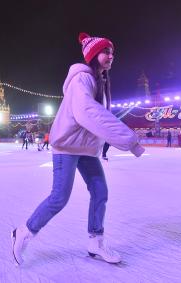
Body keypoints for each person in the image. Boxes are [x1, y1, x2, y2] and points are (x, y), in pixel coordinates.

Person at [11, 32, 145, 265]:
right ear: (93, 55)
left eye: (112, 52)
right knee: (59, 197)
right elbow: (88, 113)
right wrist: (128, 139)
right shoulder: (81, 79)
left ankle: (95, 242)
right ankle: (24, 231)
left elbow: (97, 117)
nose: (111, 56)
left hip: (86, 149)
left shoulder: (101, 80)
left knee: (100, 191)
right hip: (67, 146)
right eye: (105, 52)